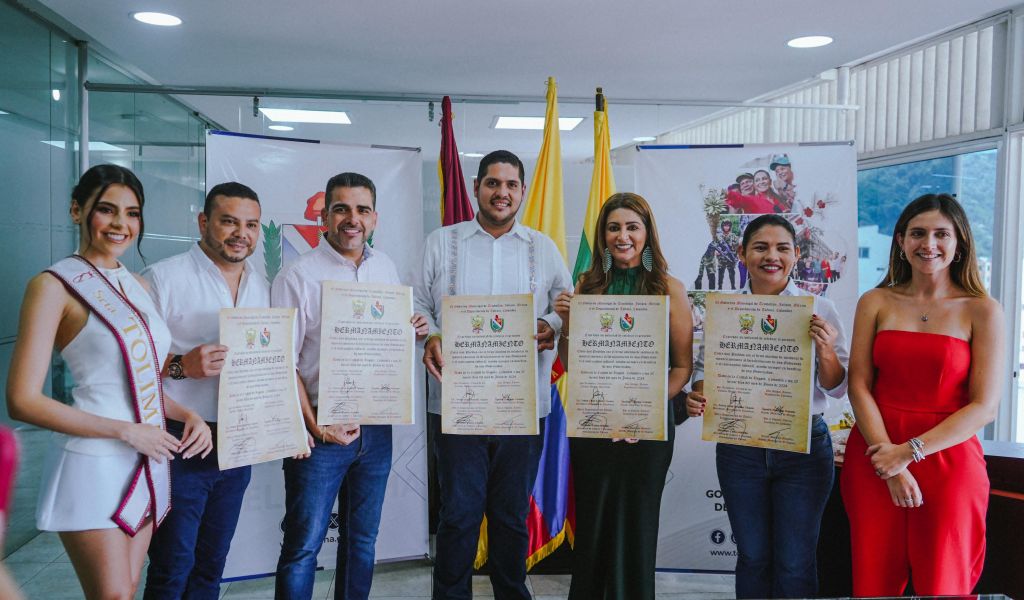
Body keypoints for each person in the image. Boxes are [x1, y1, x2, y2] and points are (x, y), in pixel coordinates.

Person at [6, 164, 212, 599]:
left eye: (133, 213)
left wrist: (188, 413)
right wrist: (125, 430)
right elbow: (22, 401)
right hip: (92, 459)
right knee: (113, 595)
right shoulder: (53, 286)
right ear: (76, 210)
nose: (121, 224)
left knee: (129, 588)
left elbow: (138, 379)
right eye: (107, 210)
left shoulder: (136, 283)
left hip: (142, 457)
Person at [414, 150, 572, 599]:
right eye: (492, 183)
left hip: (523, 408)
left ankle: (511, 594)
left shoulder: (543, 247)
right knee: (459, 514)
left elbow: (566, 302)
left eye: (511, 185)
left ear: (521, 191)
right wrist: (432, 337)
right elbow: (416, 304)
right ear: (477, 187)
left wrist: (552, 325)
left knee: (510, 513)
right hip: (456, 405)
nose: (502, 193)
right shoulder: (441, 242)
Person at [272, 172, 429, 600]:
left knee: (362, 543)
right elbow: (281, 363)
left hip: (376, 429)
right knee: (303, 547)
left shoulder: (386, 267)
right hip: (319, 431)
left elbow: (387, 340)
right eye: (341, 208)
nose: (351, 219)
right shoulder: (297, 276)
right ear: (324, 216)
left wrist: (410, 327)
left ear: (374, 218)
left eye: (361, 210)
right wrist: (315, 427)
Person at [840, 194, 1004, 596]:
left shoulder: (982, 310)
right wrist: (889, 460)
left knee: (944, 582)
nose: (928, 244)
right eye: (917, 233)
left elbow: (984, 406)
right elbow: (858, 383)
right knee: (873, 580)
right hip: (875, 456)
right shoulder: (876, 301)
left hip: (948, 459)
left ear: (959, 243)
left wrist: (909, 452)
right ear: (900, 241)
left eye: (940, 234)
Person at [686, 214, 849, 598]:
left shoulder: (819, 308)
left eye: (782, 248)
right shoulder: (723, 310)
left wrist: (825, 349)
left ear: (796, 256)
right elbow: (705, 369)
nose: (771, 256)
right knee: (753, 556)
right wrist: (698, 392)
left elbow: (838, 387)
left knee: (796, 560)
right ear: (743, 253)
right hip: (741, 448)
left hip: (804, 448)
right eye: (760, 247)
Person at [553, 192, 693, 600]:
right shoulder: (587, 285)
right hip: (595, 426)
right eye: (613, 227)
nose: (622, 236)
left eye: (632, 227)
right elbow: (573, 363)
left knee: (637, 524)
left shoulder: (670, 288)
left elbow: (682, 368)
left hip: (648, 429)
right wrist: (566, 323)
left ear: (647, 234)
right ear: (602, 236)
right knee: (594, 524)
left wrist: (641, 414)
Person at [141, 182, 268, 599]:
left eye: (250, 224)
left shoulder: (261, 284)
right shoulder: (163, 278)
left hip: (237, 440)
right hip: (178, 440)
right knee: (172, 564)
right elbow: (127, 367)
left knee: (213, 562)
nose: (240, 233)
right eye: (229, 221)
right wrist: (182, 365)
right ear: (204, 222)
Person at [713, 219, 740, 290]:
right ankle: (720, 287)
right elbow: (713, 245)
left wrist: (737, 256)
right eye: (725, 225)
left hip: (731, 259)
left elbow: (737, 247)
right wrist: (715, 251)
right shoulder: (718, 236)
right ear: (722, 226)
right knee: (720, 274)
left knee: (732, 274)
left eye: (728, 226)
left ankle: (733, 287)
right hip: (721, 259)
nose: (726, 227)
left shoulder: (734, 236)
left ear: (730, 226)